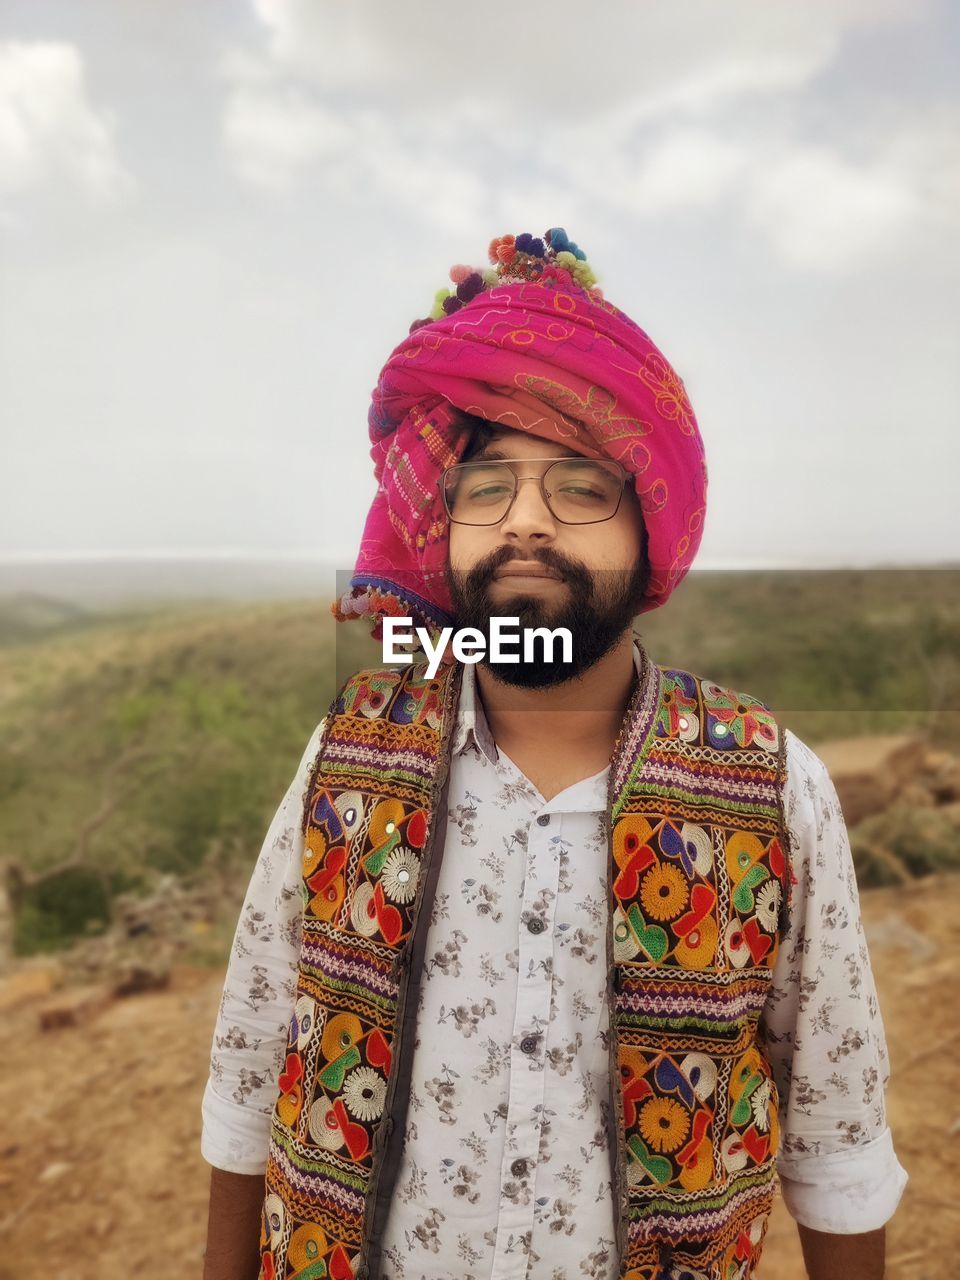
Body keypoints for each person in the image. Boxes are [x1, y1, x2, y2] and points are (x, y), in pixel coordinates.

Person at [199, 230, 907, 1280]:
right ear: (442, 527)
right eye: (486, 488)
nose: (524, 521)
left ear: (652, 520)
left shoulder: (768, 780)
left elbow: (835, 1129)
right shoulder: (349, 751)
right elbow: (254, 1062)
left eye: (579, 486)